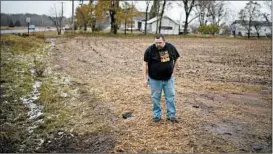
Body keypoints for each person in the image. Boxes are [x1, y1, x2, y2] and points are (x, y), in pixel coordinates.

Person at [143, 34, 180, 123]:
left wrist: (174, 72)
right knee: (155, 98)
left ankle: (171, 116)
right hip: (154, 80)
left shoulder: (170, 47)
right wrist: (145, 78)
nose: (158, 44)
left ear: (164, 41)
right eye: (156, 43)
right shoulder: (150, 50)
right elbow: (145, 64)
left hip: (168, 79)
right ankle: (157, 116)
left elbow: (177, 58)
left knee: (170, 97)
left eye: (160, 43)